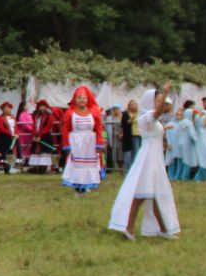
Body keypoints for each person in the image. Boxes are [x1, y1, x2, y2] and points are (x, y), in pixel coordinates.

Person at [109, 86, 180, 240]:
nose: (160, 103)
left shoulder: (152, 118)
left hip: (155, 157)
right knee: (142, 194)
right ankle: (128, 228)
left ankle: (162, 229)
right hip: (149, 158)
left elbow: (156, 128)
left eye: (161, 101)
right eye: (158, 100)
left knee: (155, 194)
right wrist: (166, 93)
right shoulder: (147, 116)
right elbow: (157, 114)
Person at [59, 85, 104, 194]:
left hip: (90, 143)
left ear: (88, 99)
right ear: (75, 99)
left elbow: (98, 128)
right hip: (76, 143)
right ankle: (77, 186)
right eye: (79, 98)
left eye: (84, 98)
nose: (81, 100)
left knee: (88, 164)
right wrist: (67, 144)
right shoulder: (70, 113)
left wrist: (99, 144)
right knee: (77, 164)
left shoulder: (94, 112)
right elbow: (65, 129)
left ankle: (87, 184)